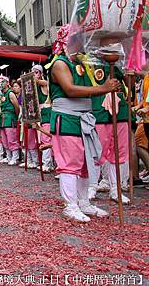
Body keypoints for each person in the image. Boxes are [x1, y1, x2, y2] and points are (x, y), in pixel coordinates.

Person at [49, 24, 116, 222]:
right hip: (67, 118)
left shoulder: (83, 63)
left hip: (84, 118)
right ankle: (70, 205)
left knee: (86, 162)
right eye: (78, 39)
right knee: (70, 163)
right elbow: (70, 89)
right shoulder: (60, 63)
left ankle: (83, 202)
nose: (83, 43)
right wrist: (103, 89)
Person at [88, 60, 130, 203]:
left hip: (120, 110)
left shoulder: (121, 59)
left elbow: (129, 86)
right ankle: (92, 186)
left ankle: (115, 189)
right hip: (99, 109)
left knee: (119, 152)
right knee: (97, 151)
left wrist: (129, 74)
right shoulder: (88, 59)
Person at [34, 65, 54, 173]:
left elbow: (45, 83)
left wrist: (33, 78)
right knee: (42, 138)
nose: (34, 74)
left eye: (36, 72)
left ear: (41, 74)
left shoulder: (44, 83)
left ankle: (47, 163)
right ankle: (46, 162)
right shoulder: (34, 86)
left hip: (47, 112)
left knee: (47, 138)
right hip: (40, 113)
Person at [0, 76, 20, 165]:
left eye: (2, 82)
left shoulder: (10, 93)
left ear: (7, 83)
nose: (0, 84)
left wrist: (16, 116)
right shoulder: (2, 94)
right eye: (0, 82)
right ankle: (8, 157)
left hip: (10, 117)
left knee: (11, 138)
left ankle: (15, 157)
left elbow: (17, 107)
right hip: (3, 118)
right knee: (4, 139)